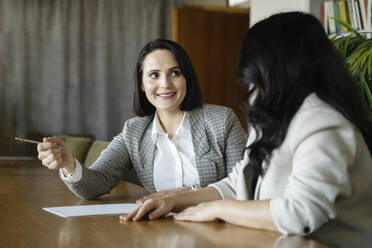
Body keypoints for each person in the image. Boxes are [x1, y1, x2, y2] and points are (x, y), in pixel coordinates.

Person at [122, 12, 372, 248]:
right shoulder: (275, 118)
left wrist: (217, 209)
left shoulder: (324, 124)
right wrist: (173, 200)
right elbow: (236, 183)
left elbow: (300, 214)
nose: (248, 83)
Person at [37, 39, 247, 199]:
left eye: (175, 73)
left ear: (187, 79)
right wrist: (68, 164)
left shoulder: (222, 120)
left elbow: (243, 188)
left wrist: (186, 195)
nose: (165, 84)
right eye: (154, 75)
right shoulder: (134, 132)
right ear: (142, 84)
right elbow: (96, 183)